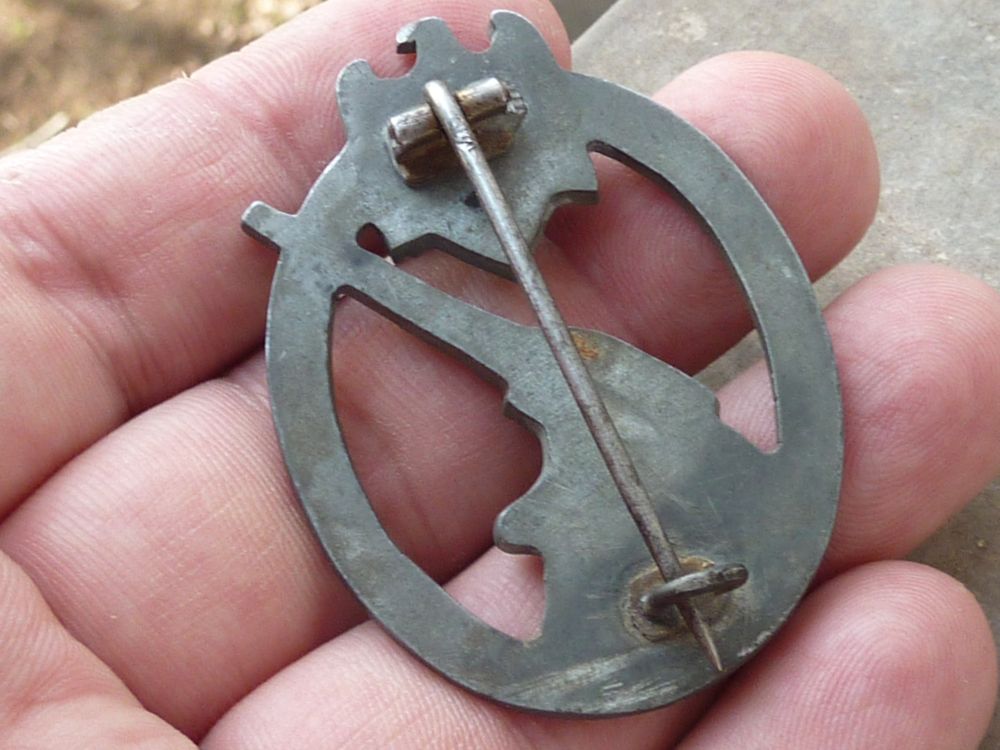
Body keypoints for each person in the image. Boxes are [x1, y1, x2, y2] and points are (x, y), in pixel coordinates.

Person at [0, 1, 997, 747]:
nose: (513, 524)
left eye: (557, 478)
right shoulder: (642, 462)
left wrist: (335, 262)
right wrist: (335, 263)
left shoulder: (645, 441)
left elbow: (523, 358)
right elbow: (517, 354)